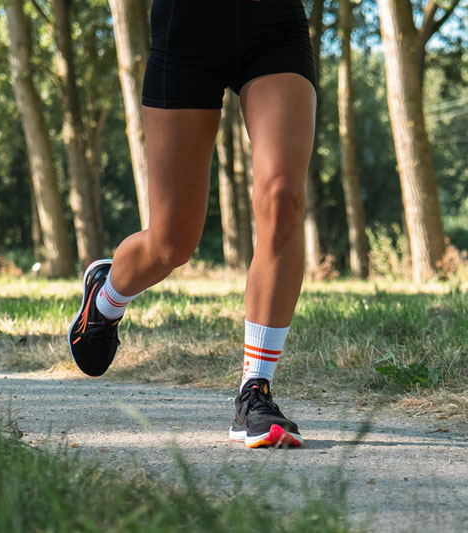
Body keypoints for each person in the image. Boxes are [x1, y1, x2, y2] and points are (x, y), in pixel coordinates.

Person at [69, 0, 317, 448]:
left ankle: (254, 391)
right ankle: (106, 296)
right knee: (171, 243)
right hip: (186, 29)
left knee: (282, 196)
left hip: (274, 25)